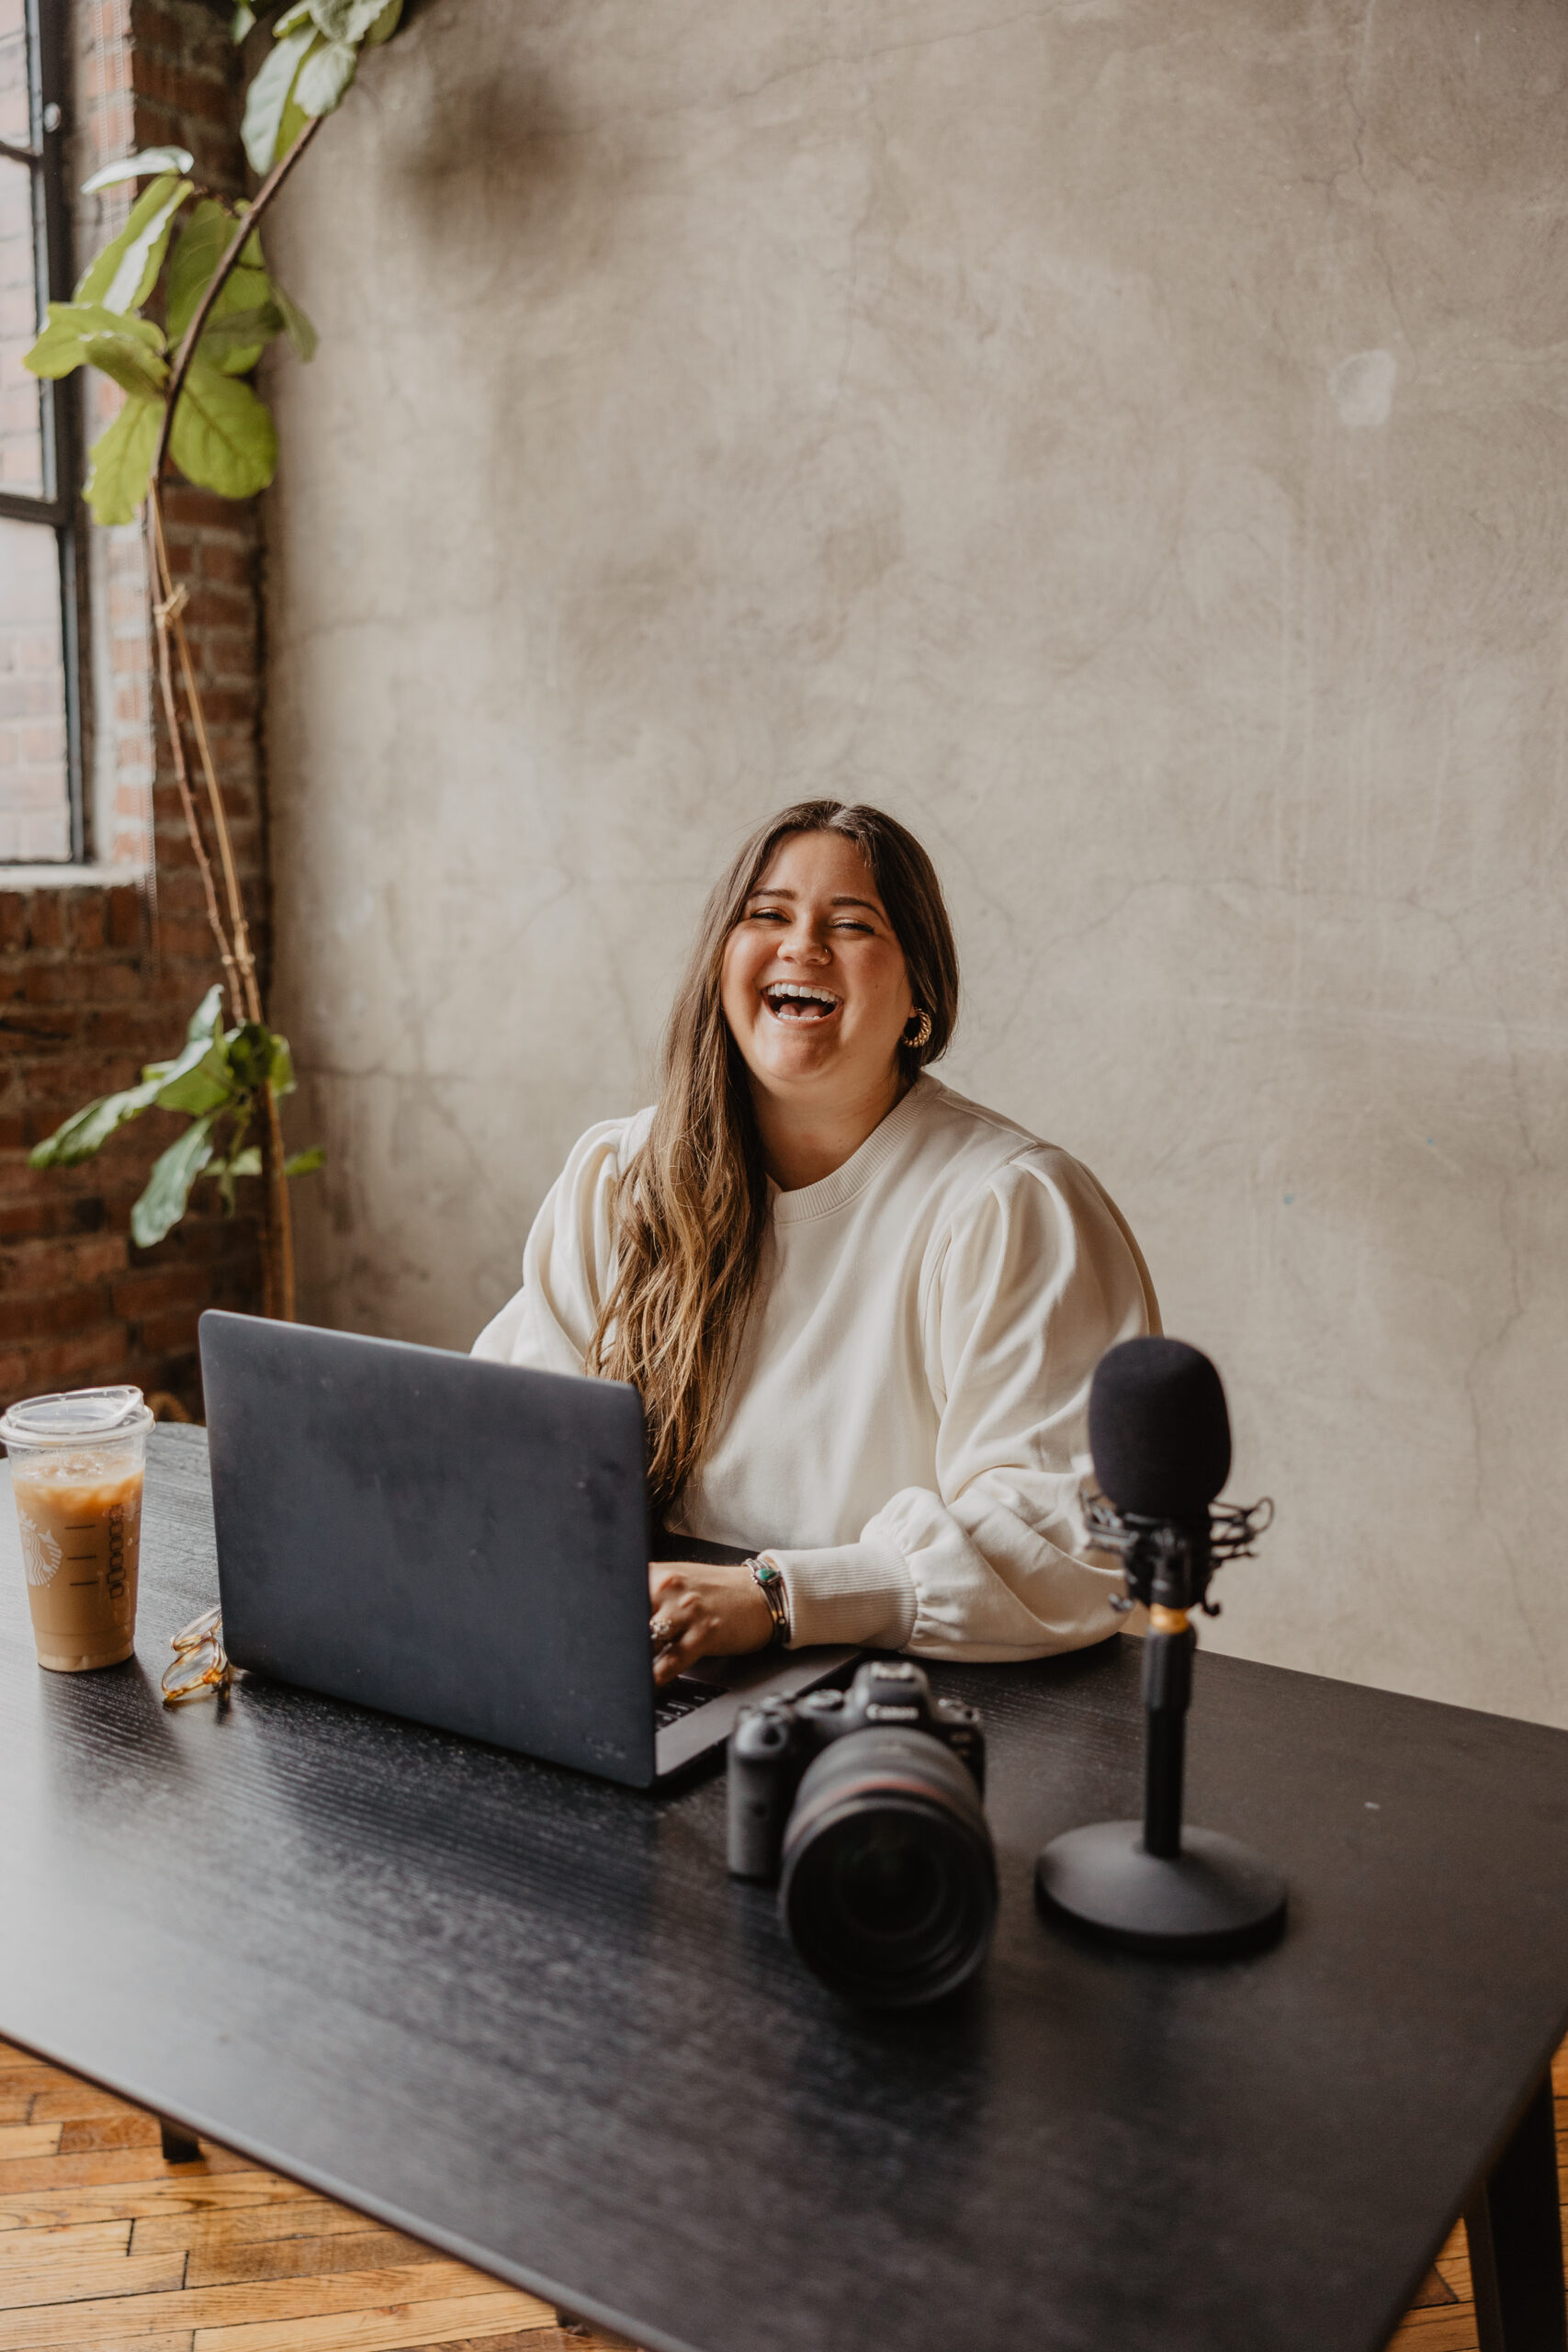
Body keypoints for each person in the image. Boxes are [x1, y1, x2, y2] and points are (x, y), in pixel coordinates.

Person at [473, 800, 1158, 1684]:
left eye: (851, 924)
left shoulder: (1009, 1206)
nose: (803, 946)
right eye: (768, 915)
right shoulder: (623, 1175)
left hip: (910, 1708)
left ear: (921, 994)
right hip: (640, 1670)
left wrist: (777, 1598)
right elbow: (515, 1437)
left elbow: (1063, 1538)